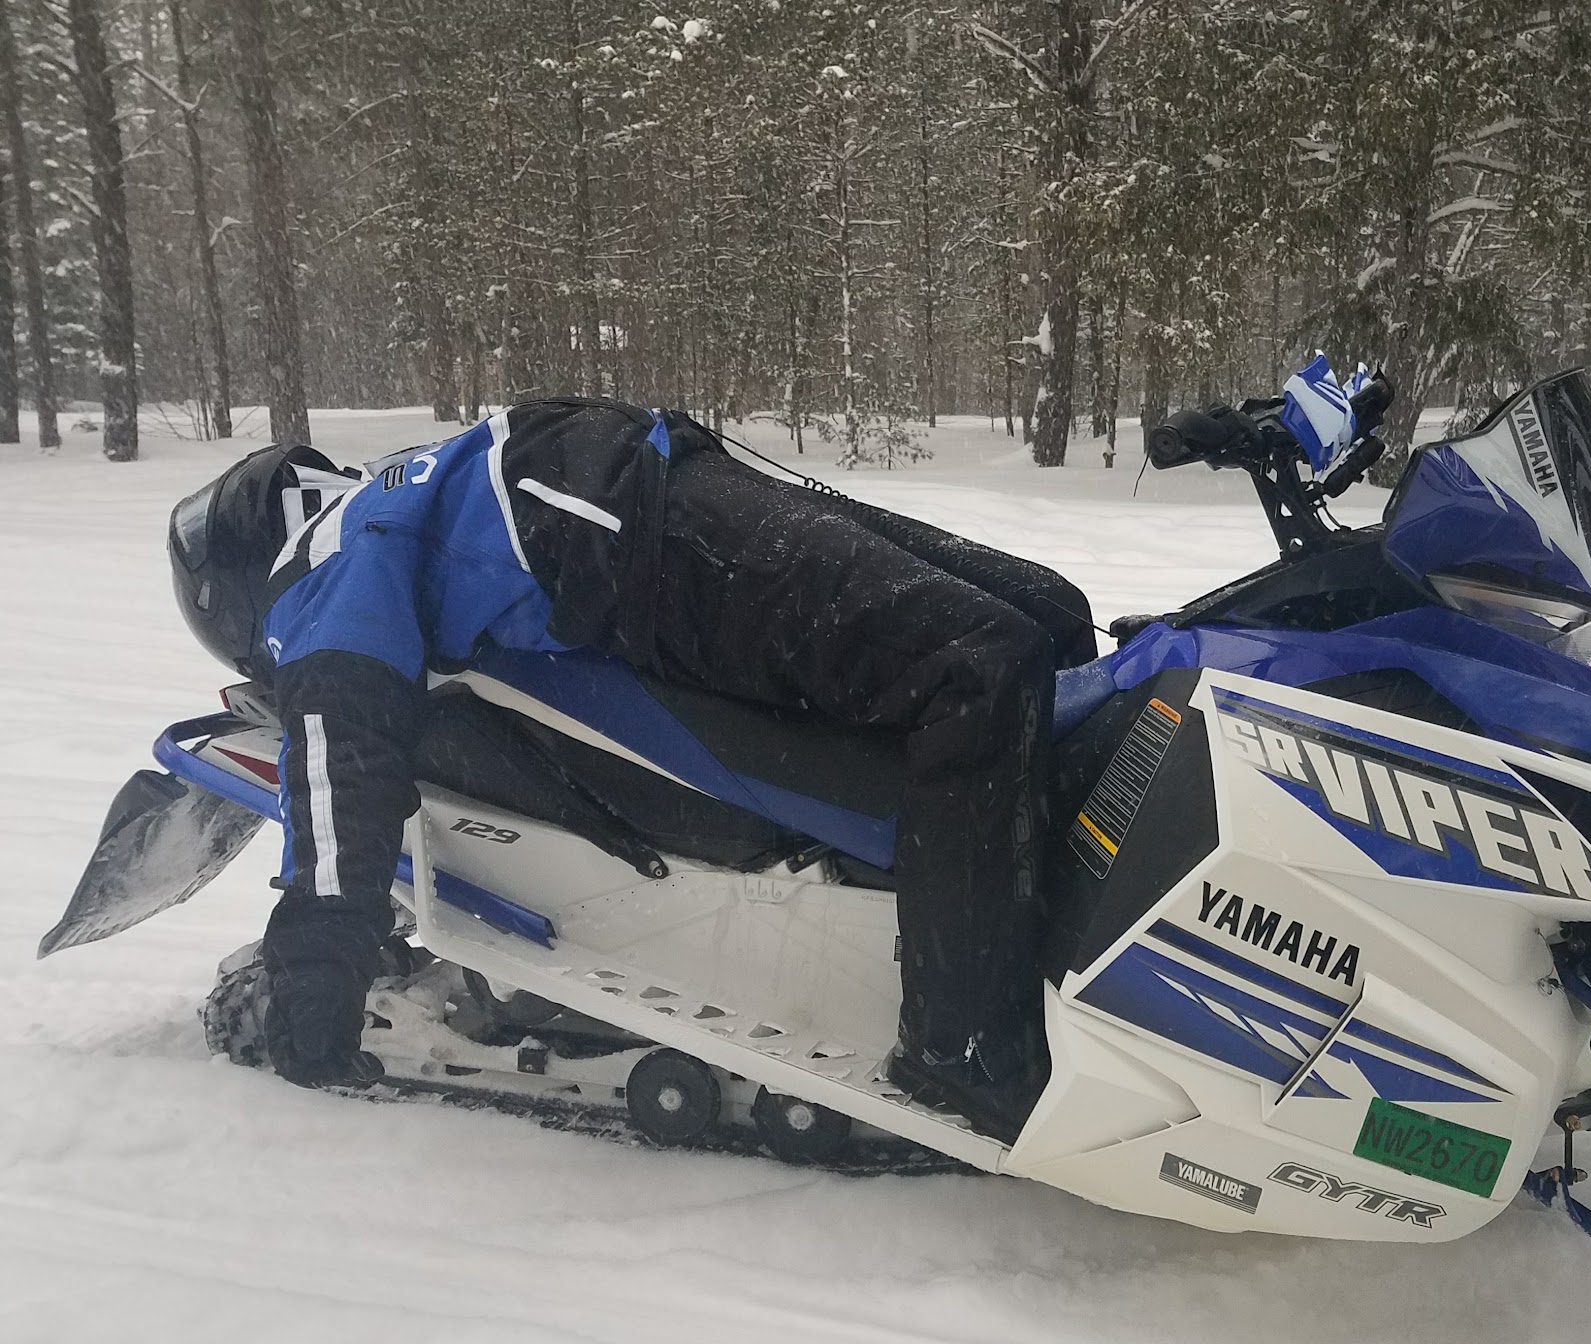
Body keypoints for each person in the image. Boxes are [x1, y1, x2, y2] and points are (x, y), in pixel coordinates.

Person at [167, 399, 1096, 1139]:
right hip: (641, 540)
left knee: (1050, 615)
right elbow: (340, 767)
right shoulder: (327, 582)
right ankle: (960, 1050)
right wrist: (318, 971)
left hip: (652, 484)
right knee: (984, 665)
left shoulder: (360, 521)